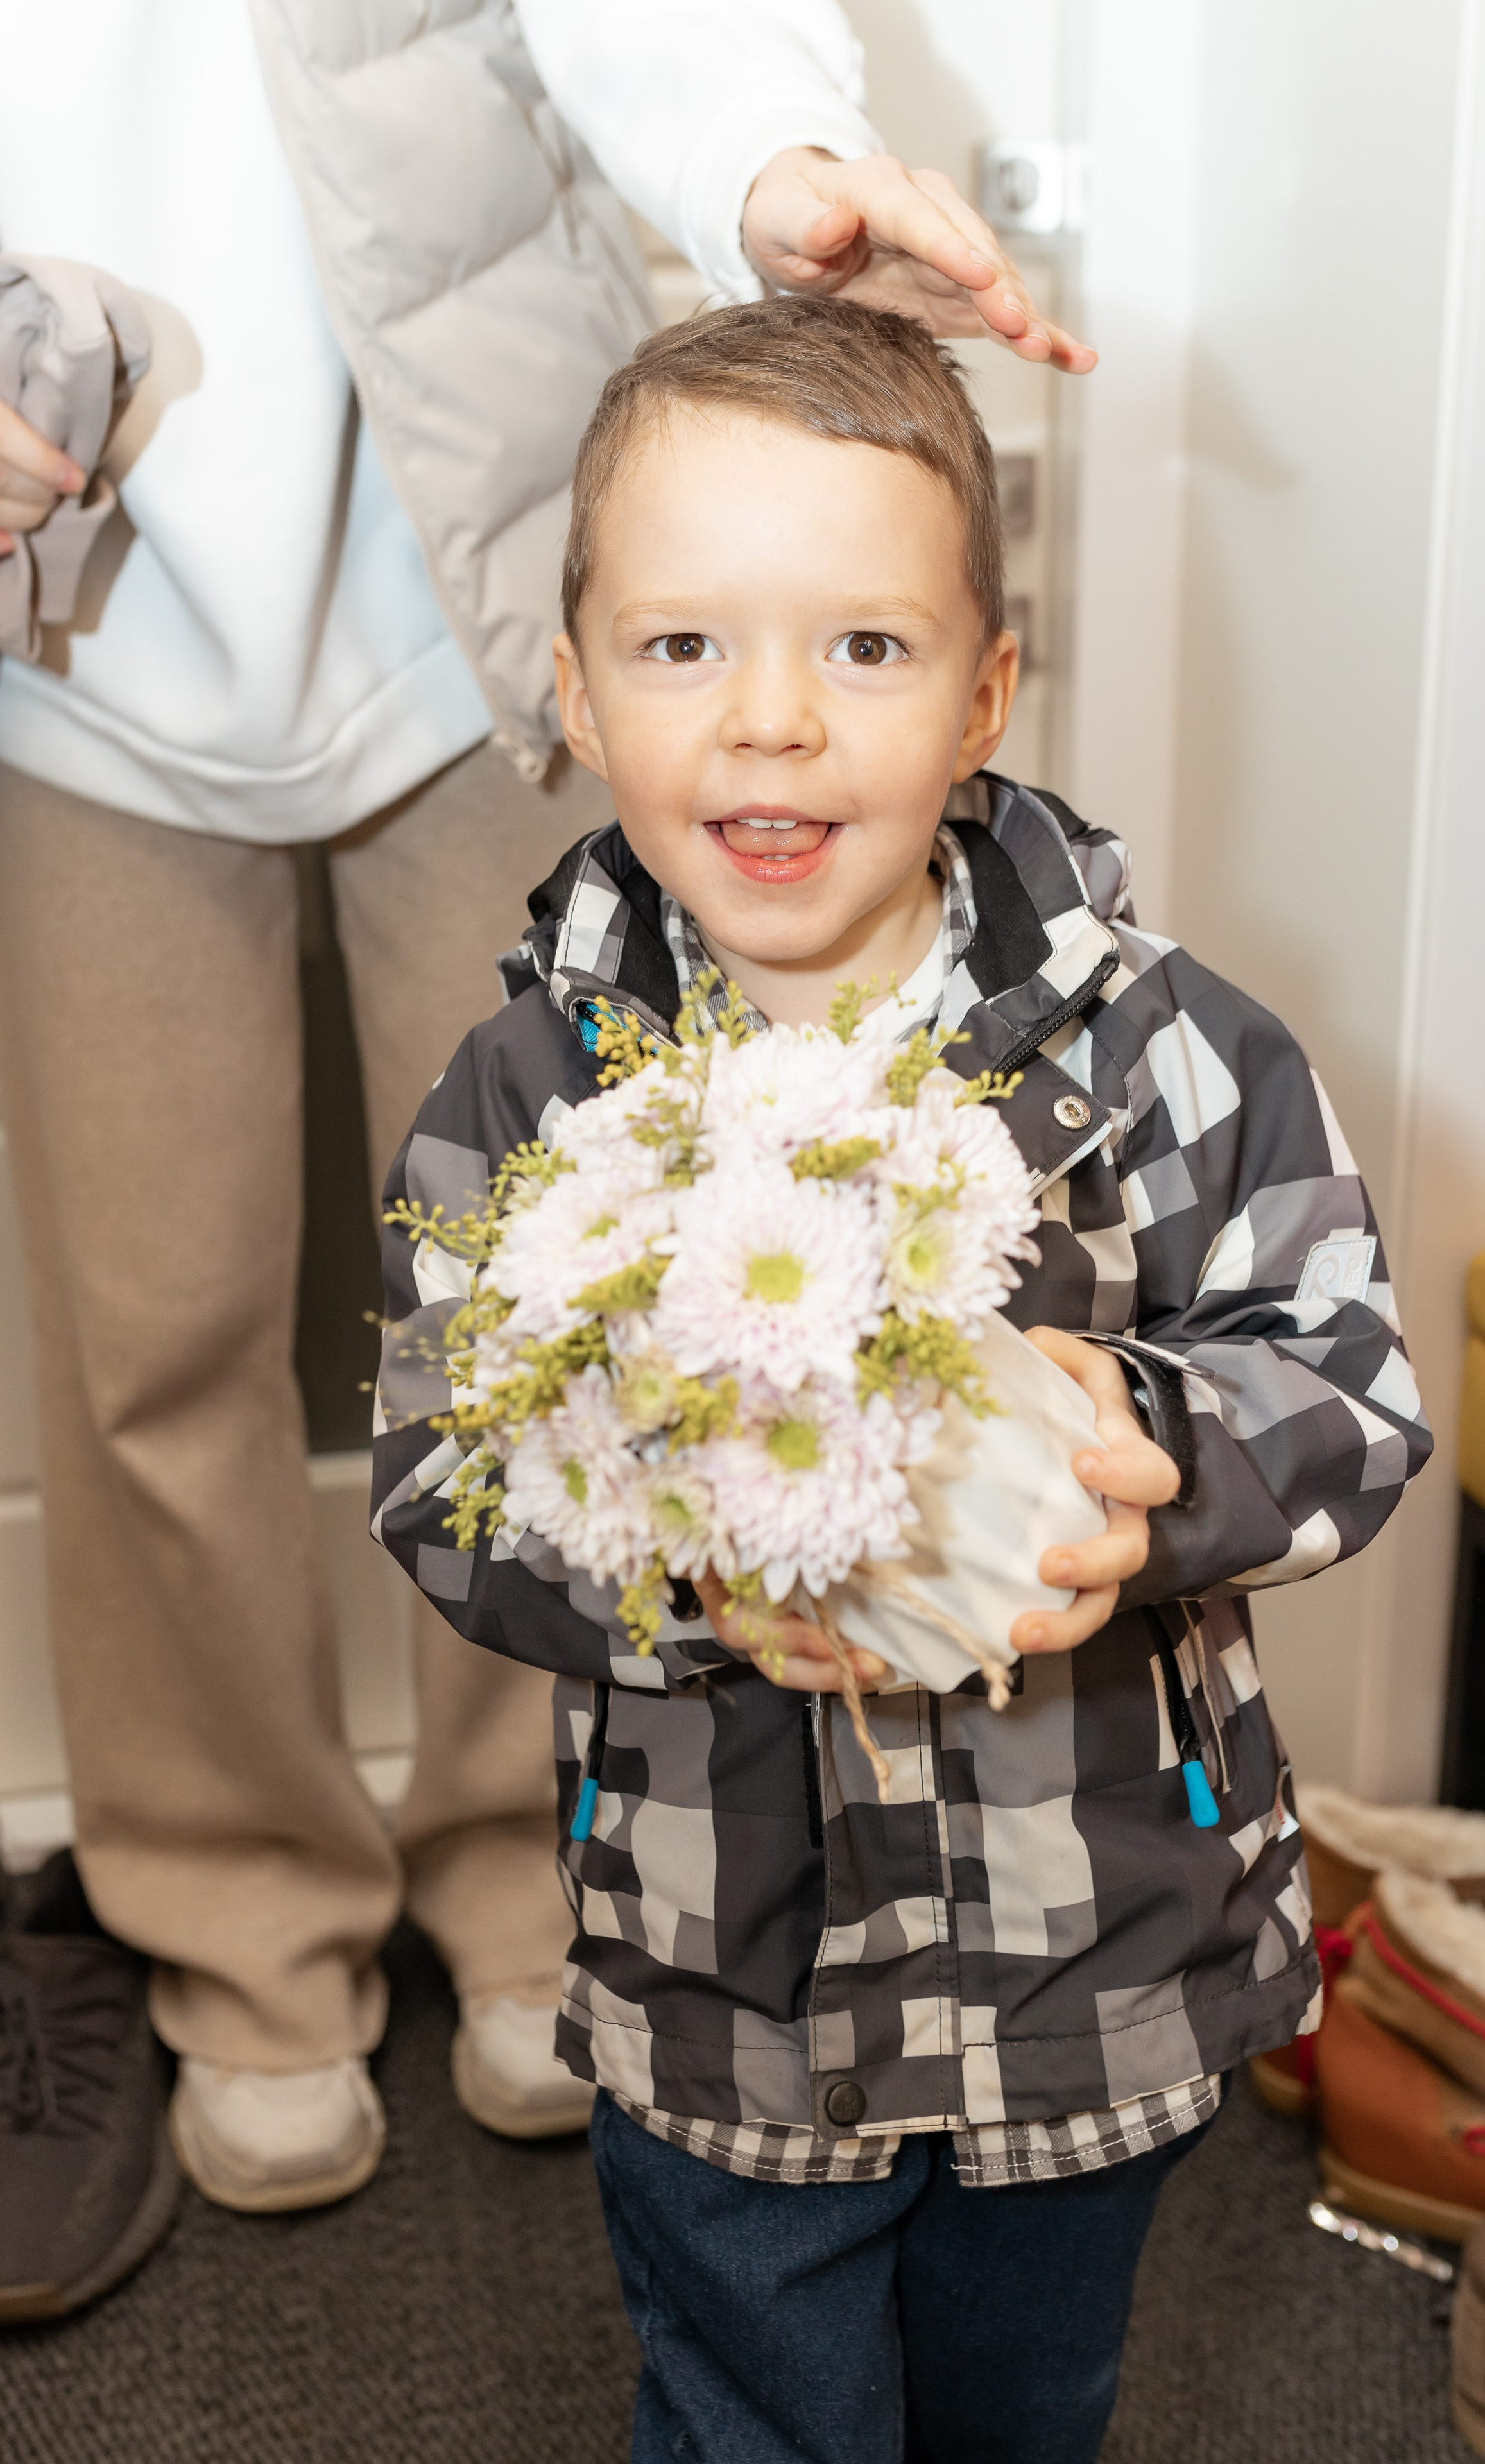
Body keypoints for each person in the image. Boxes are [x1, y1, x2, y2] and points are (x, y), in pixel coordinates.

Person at [0, 0, 1094, 2278]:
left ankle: (536, 1877)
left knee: (564, 1299)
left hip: (471, 592)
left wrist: (786, 153)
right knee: (154, 1331)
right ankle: (241, 1939)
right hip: (72, 648)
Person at [373, 295, 1432, 2463]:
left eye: (863, 648)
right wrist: (667, 1572)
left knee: (1026, 2414)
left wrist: (1161, 1460)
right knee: (756, 2416)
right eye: (683, 650)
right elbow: (438, 1469)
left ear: (983, 696)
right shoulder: (529, 1097)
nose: (773, 725)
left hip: (1096, 1956)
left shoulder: (1170, 1057)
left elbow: (1352, 1385)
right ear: (573, 693)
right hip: (720, 1970)